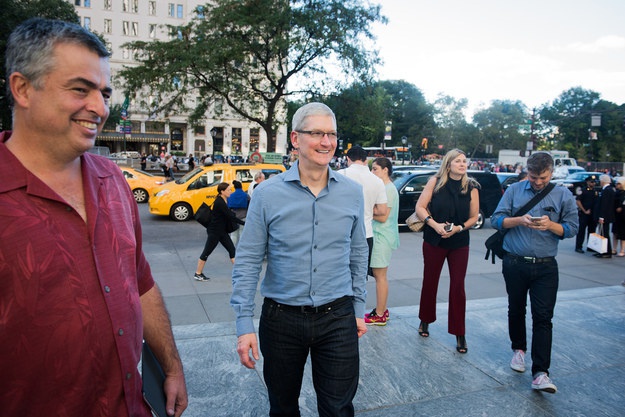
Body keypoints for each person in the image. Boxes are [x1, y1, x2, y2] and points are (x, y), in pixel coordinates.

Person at [0, 18, 187, 416]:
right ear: (22, 89)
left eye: (104, 92)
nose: (100, 108)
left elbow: (140, 282)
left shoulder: (113, 180)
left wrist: (171, 366)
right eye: (80, 90)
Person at [231, 102, 368, 417]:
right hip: (281, 320)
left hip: (338, 317)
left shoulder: (351, 192)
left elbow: (358, 252)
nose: (326, 142)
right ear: (295, 139)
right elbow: (249, 259)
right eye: (317, 133)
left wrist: (358, 308)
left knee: (338, 409)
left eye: (331, 134)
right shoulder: (267, 195)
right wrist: (243, 323)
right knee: (282, 408)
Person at [491, 152, 578, 394]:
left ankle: (541, 372)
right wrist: (518, 220)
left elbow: (572, 229)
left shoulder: (563, 194)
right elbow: (496, 219)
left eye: (543, 177)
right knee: (516, 308)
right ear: (526, 171)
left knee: (543, 317)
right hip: (515, 262)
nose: (538, 182)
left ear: (551, 173)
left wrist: (551, 225)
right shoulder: (514, 190)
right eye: (533, 177)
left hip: (546, 266)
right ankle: (518, 350)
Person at [414, 149, 479, 354]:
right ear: (448, 164)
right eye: (458, 161)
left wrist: (459, 228)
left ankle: (460, 333)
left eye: (464, 161)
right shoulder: (435, 182)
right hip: (434, 238)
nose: (462, 164)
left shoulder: (472, 187)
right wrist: (434, 225)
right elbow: (420, 207)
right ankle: (425, 320)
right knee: (430, 280)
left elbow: (473, 217)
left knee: (458, 286)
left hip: (459, 241)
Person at [338, 145, 387, 276]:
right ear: (365, 160)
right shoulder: (377, 181)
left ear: (348, 159)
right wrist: (367, 209)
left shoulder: (339, 176)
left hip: (342, 234)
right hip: (366, 234)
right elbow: (382, 210)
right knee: (360, 277)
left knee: (340, 276)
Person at [364, 157, 400, 325]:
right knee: (379, 275)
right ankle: (381, 311)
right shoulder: (383, 187)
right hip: (379, 235)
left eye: (376, 169)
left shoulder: (389, 189)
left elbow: (384, 216)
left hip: (382, 236)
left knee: (380, 276)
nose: (373, 172)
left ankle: (380, 313)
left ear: (386, 170)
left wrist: (367, 208)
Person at [193, 182, 244, 281]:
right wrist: (244, 223)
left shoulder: (224, 200)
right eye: (229, 190)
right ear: (222, 191)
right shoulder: (219, 202)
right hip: (215, 232)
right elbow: (230, 216)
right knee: (207, 252)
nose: (230, 191)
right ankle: (198, 273)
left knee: (232, 250)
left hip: (221, 232)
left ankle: (240, 273)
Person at [574, 175, 599, 253]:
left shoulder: (596, 191)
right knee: (581, 231)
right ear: (588, 182)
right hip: (584, 214)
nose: (593, 183)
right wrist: (584, 210)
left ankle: (590, 246)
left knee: (592, 231)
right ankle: (578, 246)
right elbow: (578, 201)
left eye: (594, 182)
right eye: (592, 182)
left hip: (593, 214)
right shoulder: (583, 190)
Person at [594, 174, 616, 258]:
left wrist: (602, 216)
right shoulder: (607, 189)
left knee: (605, 234)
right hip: (604, 216)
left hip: (605, 216)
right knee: (602, 234)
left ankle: (606, 251)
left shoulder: (607, 190)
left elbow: (605, 205)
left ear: (603, 181)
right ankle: (601, 250)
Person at [228, 180, 249, 246]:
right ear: (241, 186)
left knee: (234, 234)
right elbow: (250, 205)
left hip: (234, 217)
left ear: (234, 187)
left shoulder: (231, 196)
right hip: (244, 216)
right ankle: (241, 248)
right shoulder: (246, 195)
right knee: (242, 233)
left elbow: (228, 206)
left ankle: (232, 249)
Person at [613, 177, 625, 257]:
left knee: (623, 234)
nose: (617, 185)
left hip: (623, 216)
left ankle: (622, 249)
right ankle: (614, 248)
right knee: (615, 233)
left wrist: (621, 207)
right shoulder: (616, 192)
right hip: (616, 216)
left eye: (619, 184)